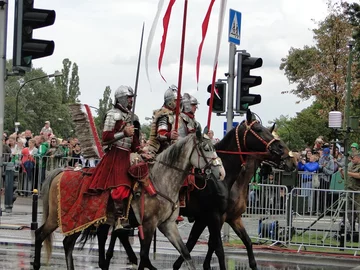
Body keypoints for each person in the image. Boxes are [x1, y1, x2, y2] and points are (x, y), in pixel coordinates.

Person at [87, 85, 140, 231]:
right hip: (115, 154)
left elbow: (135, 142)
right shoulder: (113, 114)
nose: (131, 100)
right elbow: (106, 138)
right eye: (129, 98)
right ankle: (118, 219)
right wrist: (124, 133)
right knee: (120, 186)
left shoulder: (132, 117)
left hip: (127, 155)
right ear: (122, 98)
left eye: (132, 98)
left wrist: (142, 150)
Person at [146, 85, 180, 157]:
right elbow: (160, 134)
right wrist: (169, 135)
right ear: (170, 101)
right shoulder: (163, 114)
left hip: (168, 150)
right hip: (158, 150)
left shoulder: (173, 115)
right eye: (176, 101)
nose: (178, 103)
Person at [339, 152, 360, 232]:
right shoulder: (350, 165)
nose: (352, 160)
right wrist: (342, 172)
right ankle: (352, 228)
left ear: (358, 158)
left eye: (353, 158)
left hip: (358, 191)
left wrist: (348, 173)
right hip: (349, 191)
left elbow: (359, 175)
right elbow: (345, 177)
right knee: (349, 211)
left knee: (358, 210)